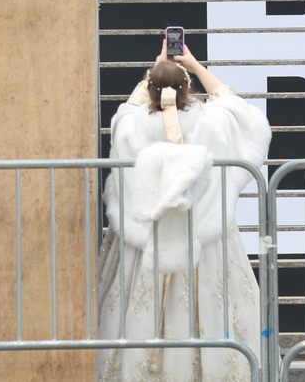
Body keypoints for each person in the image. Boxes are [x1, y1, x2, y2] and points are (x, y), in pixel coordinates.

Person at [97, 40, 271, 382]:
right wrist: (194, 65)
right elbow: (245, 115)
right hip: (204, 244)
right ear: (187, 87)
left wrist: (157, 68)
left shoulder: (130, 126)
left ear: (149, 89)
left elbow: (125, 112)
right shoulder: (211, 123)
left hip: (145, 245)